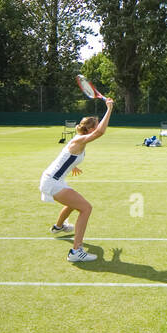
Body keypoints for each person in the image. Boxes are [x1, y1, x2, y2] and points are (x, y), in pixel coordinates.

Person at [43, 99, 114, 262]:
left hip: (54, 179)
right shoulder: (79, 140)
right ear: (89, 129)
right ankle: (76, 251)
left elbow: (67, 157)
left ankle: (58, 227)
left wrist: (72, 166)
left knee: (73, 203)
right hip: (52, 181)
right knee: (86, 208)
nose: (98, 126)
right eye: (96, 124)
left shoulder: (79, 140)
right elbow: (100, 132)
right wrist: (109, 108)